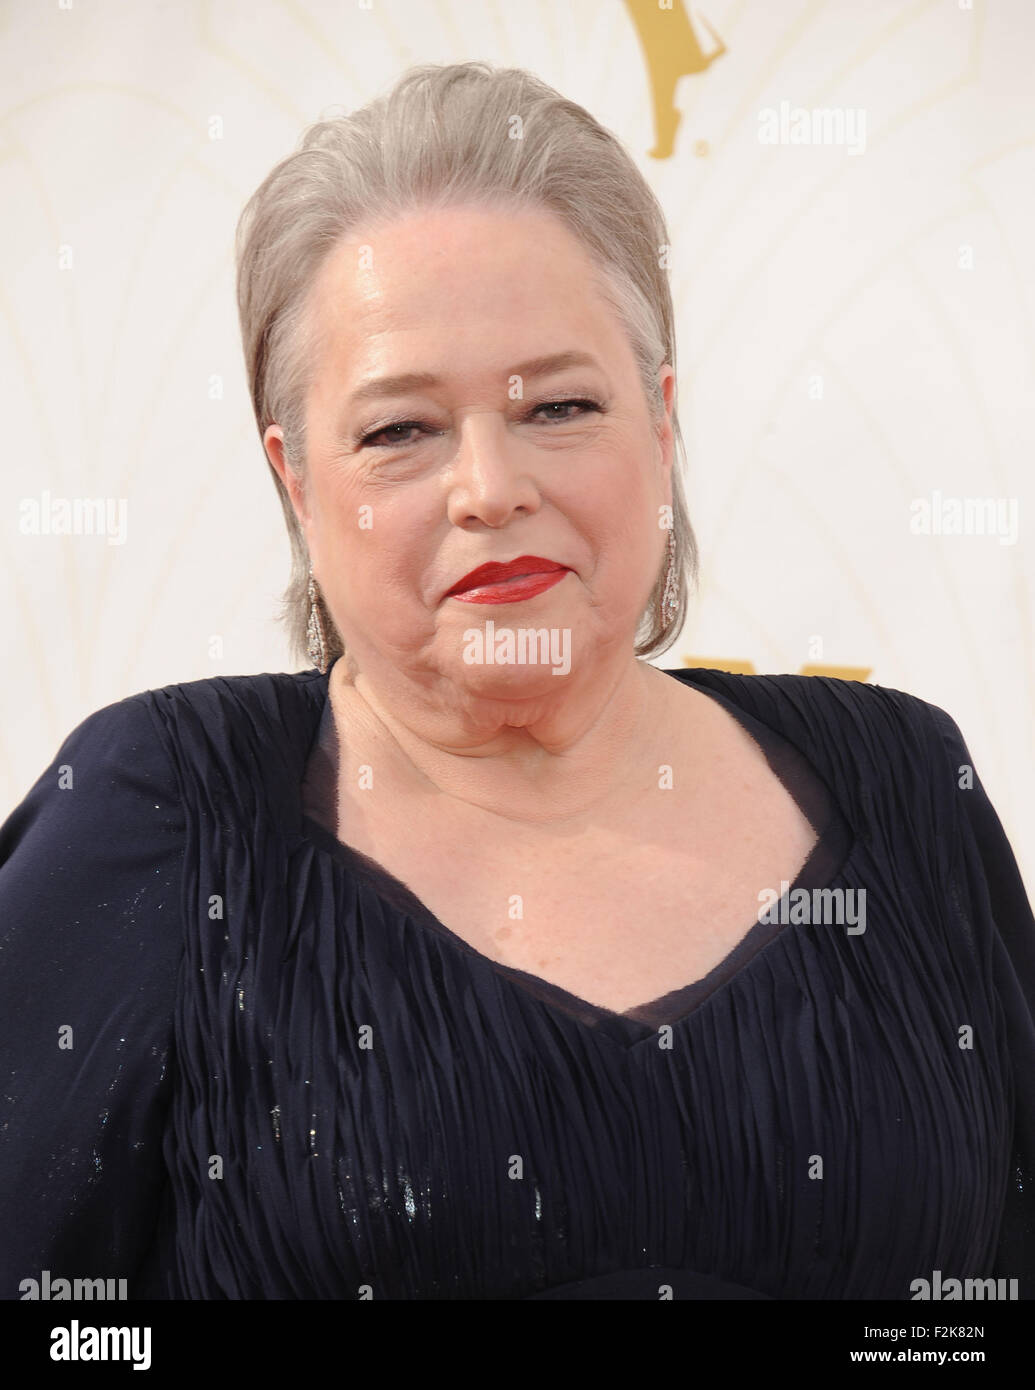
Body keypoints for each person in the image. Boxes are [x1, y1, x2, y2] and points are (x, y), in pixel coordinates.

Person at [1, 60, 1032, 1301]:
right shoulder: (159, 815)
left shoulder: (910, 786)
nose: (490, 486)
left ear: (661, 428)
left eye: (557, 405)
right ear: (296, 483)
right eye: (399, 430)